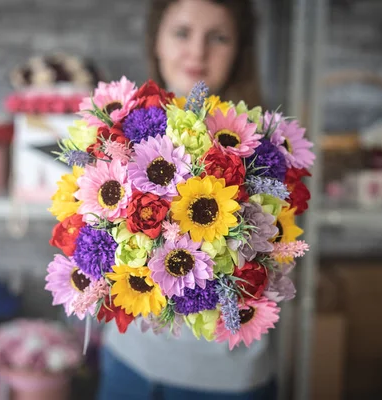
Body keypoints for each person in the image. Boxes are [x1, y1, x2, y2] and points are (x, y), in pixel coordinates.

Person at [97, 1, 275, 399]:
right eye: (182, 32)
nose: (198, 52)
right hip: (131, 363)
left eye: (219, 37)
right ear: (155, 41)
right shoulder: (116, 134)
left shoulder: (267, 147)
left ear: (239, 51)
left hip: (225, 378)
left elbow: (275, 264)